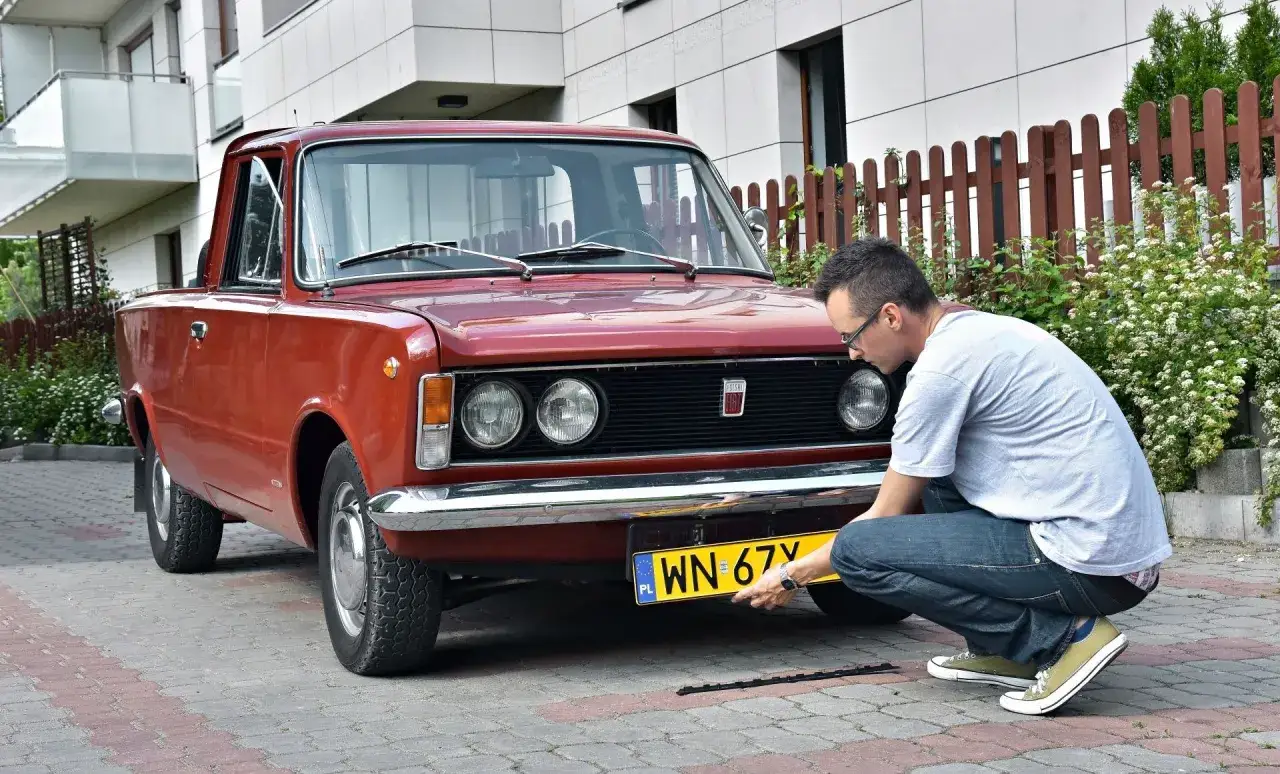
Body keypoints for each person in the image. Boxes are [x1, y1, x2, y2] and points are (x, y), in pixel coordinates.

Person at [732, 236, 1171, 716]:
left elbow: (884, 515)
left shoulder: (940, 373)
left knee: (858, 555)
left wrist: (791, 576)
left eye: (850, 336)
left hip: (1092, 564)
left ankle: (1066, 638)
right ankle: (1004, 649)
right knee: (936, 476)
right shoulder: (976, 331)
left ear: (891, 316)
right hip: (1118, 552)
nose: (852, 353)